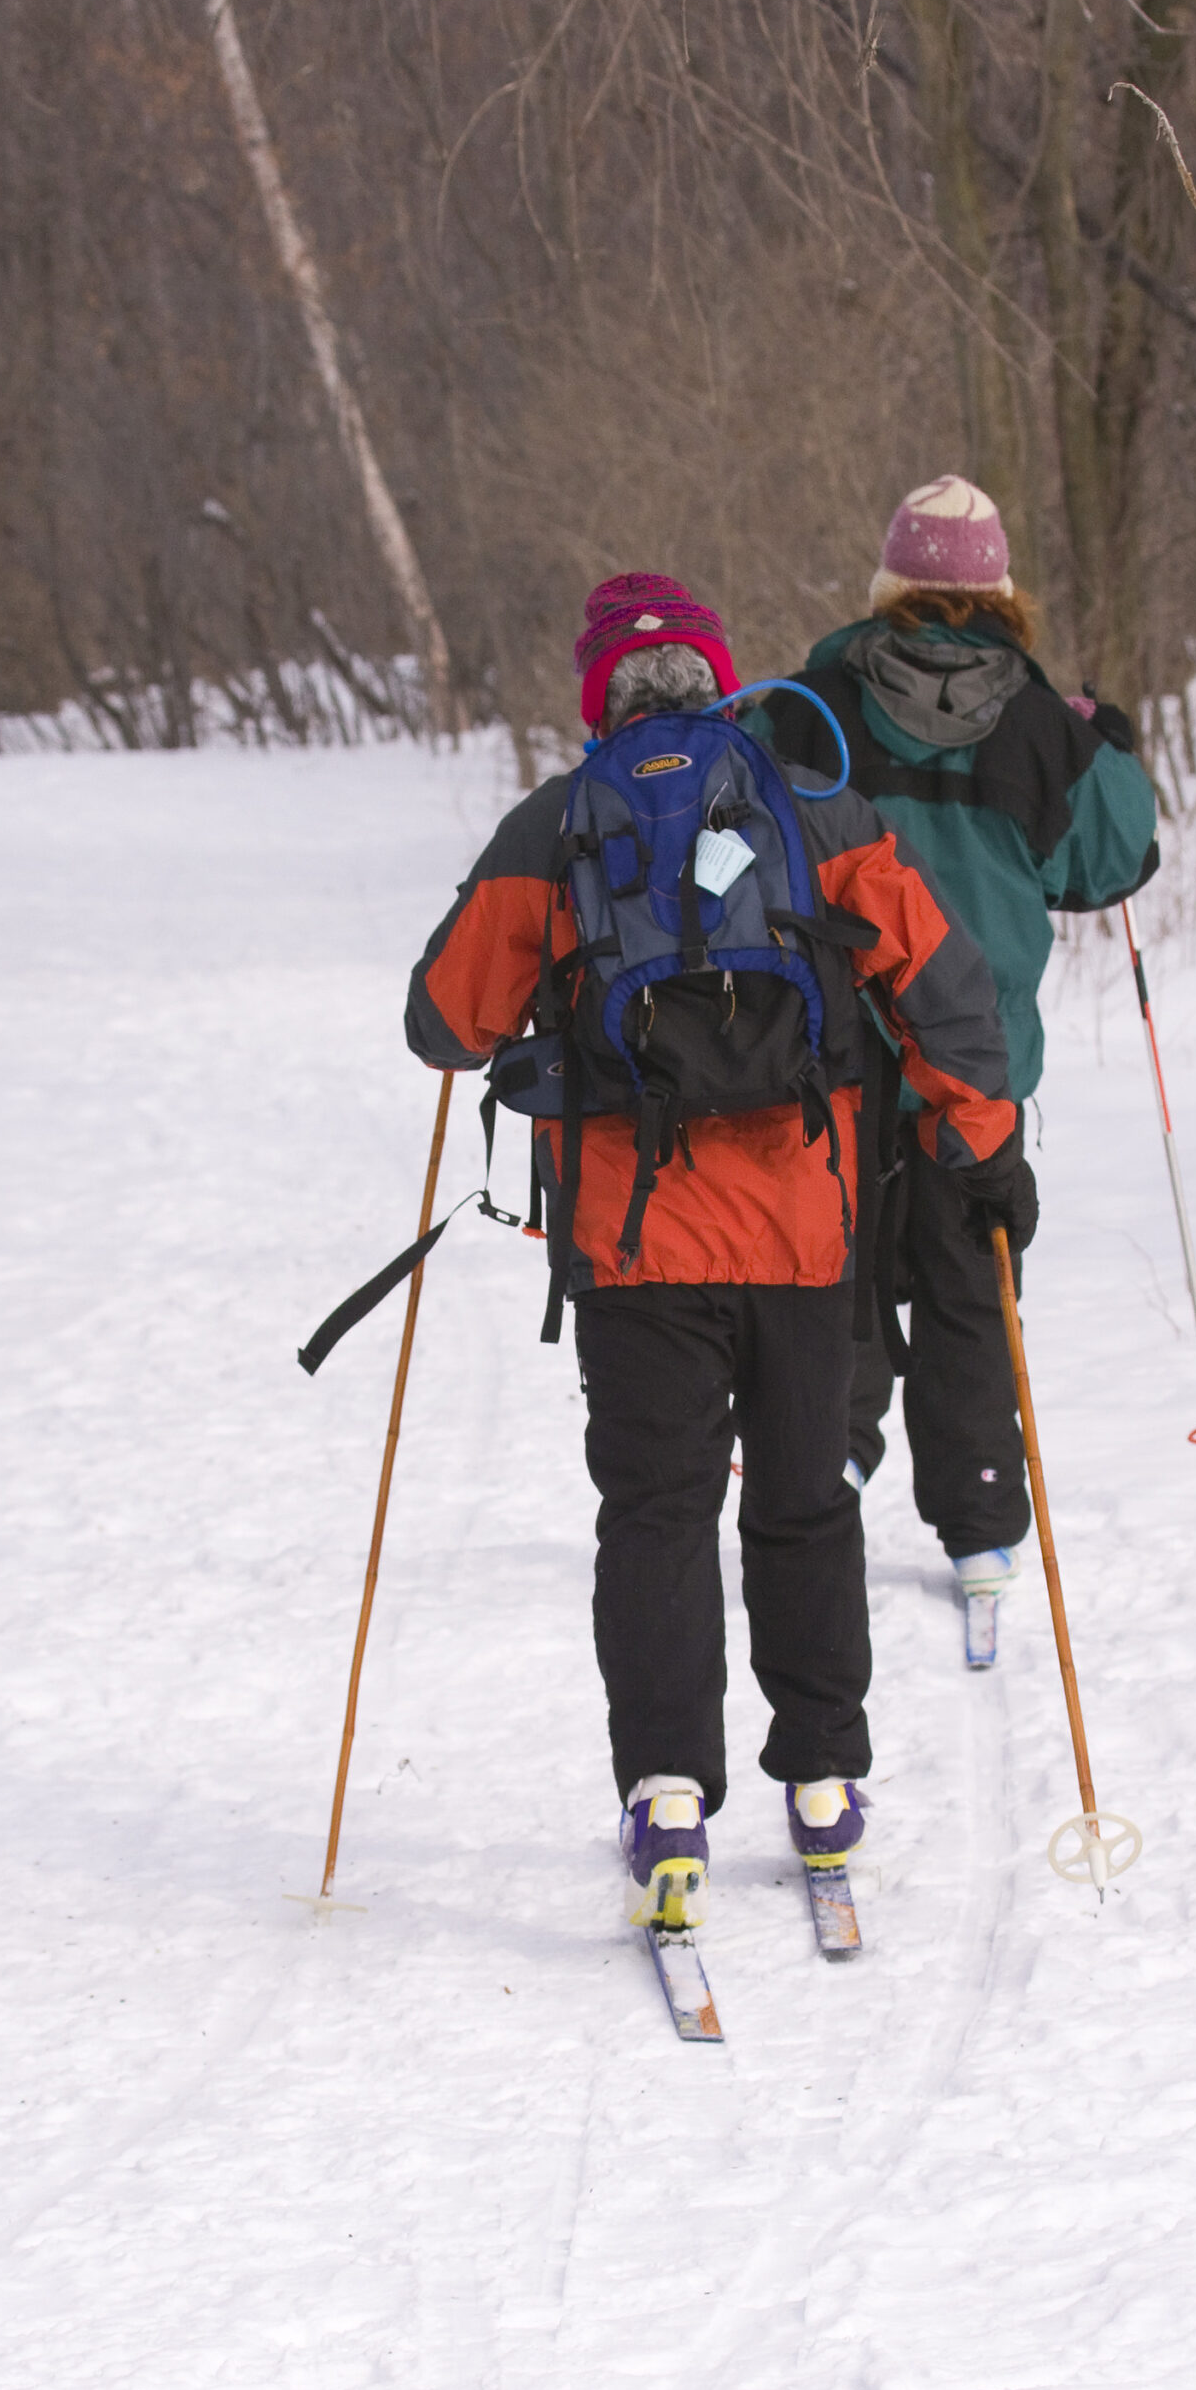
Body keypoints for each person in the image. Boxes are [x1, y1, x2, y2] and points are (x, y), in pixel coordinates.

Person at [403, 570, 1034, 1927]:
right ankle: (819, 1781)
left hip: (634, 1247)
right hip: (807, 1233)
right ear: (717, 673)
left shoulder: (552, 822)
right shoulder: (812, 802)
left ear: (597, 694)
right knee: (803, 1502)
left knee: (655, 1512)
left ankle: (666, 1799)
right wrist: (980, 1146)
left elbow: (446, 1025)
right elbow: (937, 977)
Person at [759, 478, 1158, 1655]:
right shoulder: (1044, 726)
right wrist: (1111, 752)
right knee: (967, 1285)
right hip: (975, 1060)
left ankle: (822, 1460)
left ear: (892, 584)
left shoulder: (814, 704)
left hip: (832, 1047)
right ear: (997, 591)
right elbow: (1112, 862)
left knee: (833, 1275)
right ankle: (981, 1521)